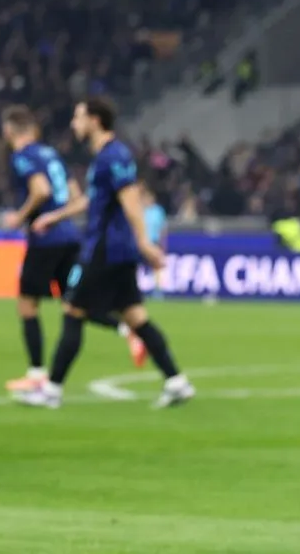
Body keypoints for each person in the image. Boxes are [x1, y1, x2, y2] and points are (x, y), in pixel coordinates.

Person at [13, 97, 194, 410]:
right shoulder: (105, 157)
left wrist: (144, 241)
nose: (74, 124)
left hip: (106, 249)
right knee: (135, 317)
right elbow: (92, 201)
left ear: (95, 120)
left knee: (73, 310)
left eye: (78, 117)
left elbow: (130, 200)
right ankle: (176, 382)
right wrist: (54, 217)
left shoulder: (114, 156)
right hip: (115, 249)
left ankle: (51, 390)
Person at [0, 105, 84, 392]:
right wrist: (60, 217)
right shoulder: (52, 154)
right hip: (69, 235)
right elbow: (77, 198)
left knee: (27, 303)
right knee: (75, 303)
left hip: (45, 240)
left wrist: (19, 217)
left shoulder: (23, 156)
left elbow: (41, 190)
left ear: (8, 130)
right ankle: (127, 329)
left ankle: (36, 374)